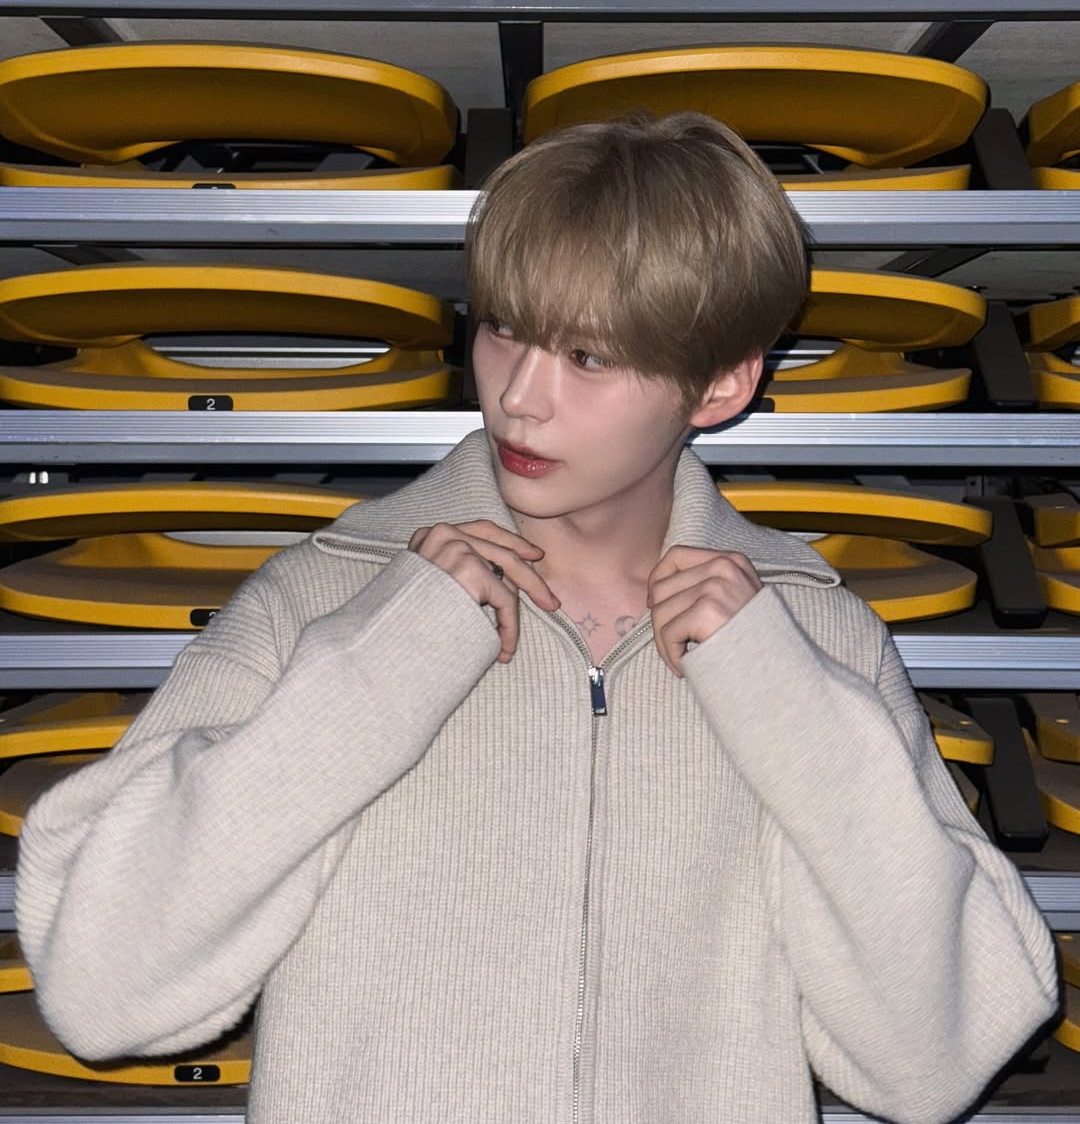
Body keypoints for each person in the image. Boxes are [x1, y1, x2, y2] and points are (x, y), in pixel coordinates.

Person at [15, 112, 1060, 1124]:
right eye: (505, 327)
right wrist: (384, 662)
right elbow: (103, 990)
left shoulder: (815, 639)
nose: (520, 395)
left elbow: (933, 1063)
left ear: (720, 385)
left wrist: (782, 696)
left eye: (589, 359)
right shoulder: (324, 601)